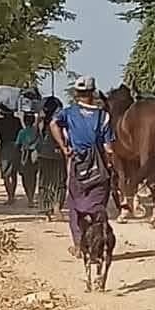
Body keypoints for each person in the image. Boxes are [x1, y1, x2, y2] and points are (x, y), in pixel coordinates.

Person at [49, 76, 115, 257]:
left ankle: (79, 246)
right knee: (98, 205)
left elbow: (53, 123)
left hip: (77, 164)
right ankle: (99, 243)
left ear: (76, 93)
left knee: (75, 205)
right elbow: (109, 148)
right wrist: (110, 165)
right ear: (93, 93)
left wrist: (64, 147)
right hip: (99, 165)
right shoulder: (104, 116)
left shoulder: (68, 112)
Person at [36, 97, 67, 219]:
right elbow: (65, 137)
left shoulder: (40, 122)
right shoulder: (59, 122)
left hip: (43, 154)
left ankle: (46, 209)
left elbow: (35, 136)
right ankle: (57, 207)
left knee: (45, 182)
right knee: (59, 181)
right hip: (58, 154)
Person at [0, 108, 24, 205]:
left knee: (5, 174)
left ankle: (10, 196)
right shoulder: (16, 120)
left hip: (5, 147)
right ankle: (12, 195)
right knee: (13, 173)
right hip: (15, 147)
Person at [16, 113, 41, 207]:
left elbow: (17, 145)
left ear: (25, 121)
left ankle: (29, 197)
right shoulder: (36, 132)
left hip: (24, 156)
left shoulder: (22, 132)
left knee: (25, 177)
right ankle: (32, 196)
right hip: (34, 156)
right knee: (33, 177)